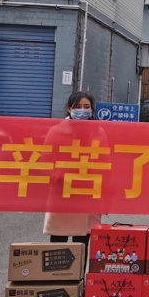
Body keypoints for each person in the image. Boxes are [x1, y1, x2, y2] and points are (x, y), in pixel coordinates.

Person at [43, 91, 103, 247]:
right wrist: (54, 173)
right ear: (69, 109)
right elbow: (45, 160)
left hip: (88, 193)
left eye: (86, 107)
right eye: (78, 106)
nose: (82, 110)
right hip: (62, 192)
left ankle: (80, 266)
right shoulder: (56, 132)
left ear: (92, 109)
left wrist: (106, 196)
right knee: (58, 245)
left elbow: (105, 163)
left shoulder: (99, 132)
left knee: (82, 244)